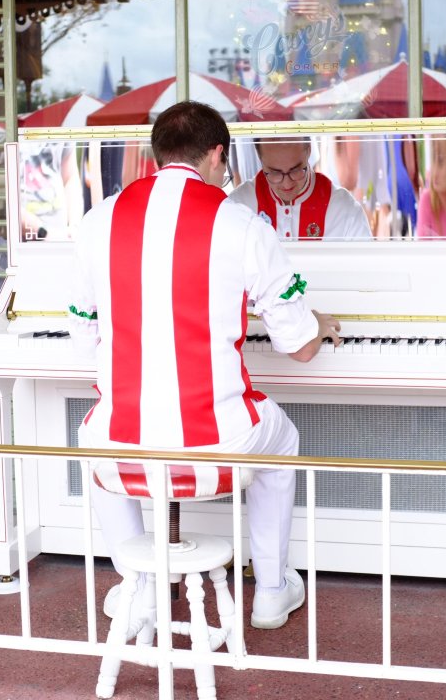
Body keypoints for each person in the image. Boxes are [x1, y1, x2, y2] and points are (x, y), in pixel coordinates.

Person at [68, 101, 342, 630]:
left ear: (158, 155)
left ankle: (138, 585)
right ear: (217, 154)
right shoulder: (238, 223)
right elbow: (300, 346)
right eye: (226, 162)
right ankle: (269, 591)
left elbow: (85, 336)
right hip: (218, 446)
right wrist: (318, 324)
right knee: (281, 443)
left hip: (123, 442)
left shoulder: (99, 220)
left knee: (98, 443)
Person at [228, 137, 372, 240]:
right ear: (259, 157)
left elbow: (365, 275)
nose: (286, 184)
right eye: (275, 172)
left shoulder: (344, 210)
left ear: (309, 150)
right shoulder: (239, 206)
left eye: (295, 170)